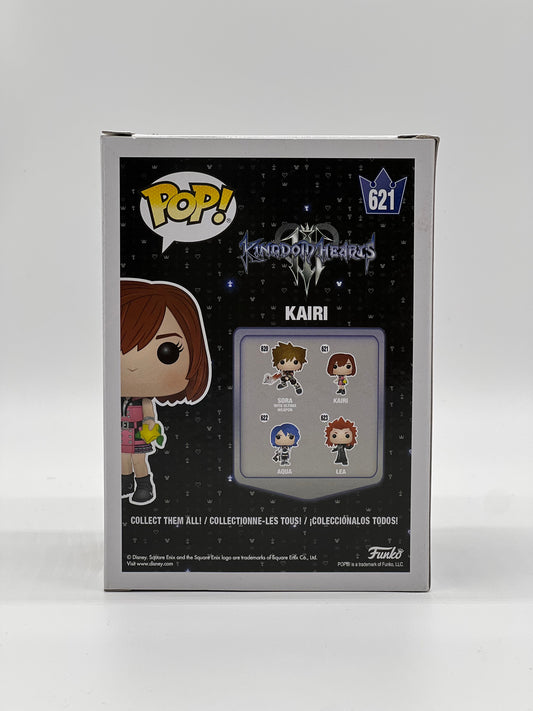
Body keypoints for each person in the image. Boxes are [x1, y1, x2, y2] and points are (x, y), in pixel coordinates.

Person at [120, 279, 211, 504]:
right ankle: (124, 482)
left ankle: (144, 486)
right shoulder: (113, 400)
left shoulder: (143, 401)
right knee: (122, 459)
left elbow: (149, 414)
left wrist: (150, 424)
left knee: (138, 460)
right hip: (120, 434)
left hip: (139, 434)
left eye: (167, 352)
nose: (133, 366)